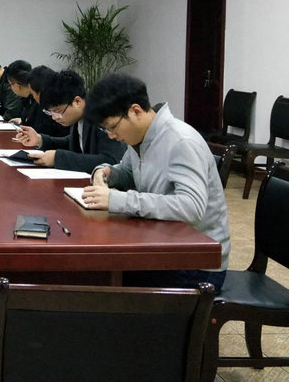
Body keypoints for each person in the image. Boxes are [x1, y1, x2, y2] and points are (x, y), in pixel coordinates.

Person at [81, 73, 230, 291]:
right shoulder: (140, 138)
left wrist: (117, 200)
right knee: (95, 272)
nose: (111, 135)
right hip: (164, 244)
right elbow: (127, 171)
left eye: (112, 127)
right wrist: (105, 173)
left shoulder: (181, 141)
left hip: (196, 265)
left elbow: (191, 207)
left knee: (98, 278)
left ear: (135, 111)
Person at [15, 69, 125, 172]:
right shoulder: (79, 116)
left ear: (77, 101)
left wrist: (58, 158)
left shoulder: (103, 116)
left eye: (57, 111)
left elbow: (111, 160)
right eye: (51, 113)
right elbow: (73, 142)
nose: (54, 117)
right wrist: (40, 140)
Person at [7, 63, 68, 137]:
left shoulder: (45, 107)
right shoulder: (28, 100)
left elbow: (42, 131)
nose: (34, 97)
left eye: (33, 93)